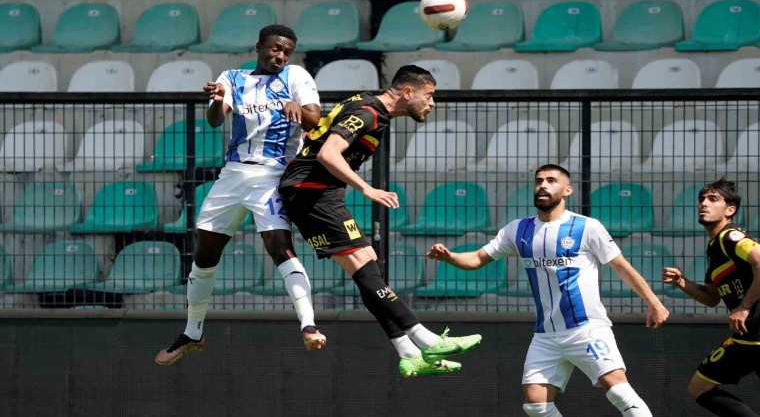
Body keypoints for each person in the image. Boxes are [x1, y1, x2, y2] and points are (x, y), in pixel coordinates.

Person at [278, 65, 482, 378]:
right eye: (429, 95)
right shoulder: (369, 113)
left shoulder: (366, 105)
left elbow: (320, 133)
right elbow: (328, 154)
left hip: (313, 193)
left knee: (367, 268)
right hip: (312, 194)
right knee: (365, 266)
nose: (432, 103)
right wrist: (367, 189)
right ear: (408, 92)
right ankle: (427, 340)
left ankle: (409, 352)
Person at [426, 164, 670, 416]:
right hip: (546, 335)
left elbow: (621, 267)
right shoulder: (517, 229)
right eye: (539, 181)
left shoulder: (586, 227)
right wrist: (450, 257)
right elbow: (478, 258)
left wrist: (654, 302)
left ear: (567, 190)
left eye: (551, 180)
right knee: (536, 405)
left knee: (619, 391)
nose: (543, 185)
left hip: (587, 329)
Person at [155, 24, 326, 365]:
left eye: (286, 52)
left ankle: (308, 325)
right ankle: (192, 331)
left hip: (273, 174)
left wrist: (298, 107)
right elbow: (214, 120)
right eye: (275, 48)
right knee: (205, 254)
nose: (280, 56)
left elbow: (314, 120)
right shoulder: (232, 78)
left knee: (279, 246)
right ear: (258, 46)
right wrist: (218, 101)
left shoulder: (295, 76)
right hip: (232, 174)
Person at [662, 178, 760, 417]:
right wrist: (682, 282)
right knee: (699, 387)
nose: (703, 204)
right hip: (749, 337)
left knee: (699, 387)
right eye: (702, 199)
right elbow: (711, 297)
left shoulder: (730, 238)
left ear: (730, 210)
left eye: (713, 199)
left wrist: (744, 306)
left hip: (754, 336)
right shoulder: (714, 248)